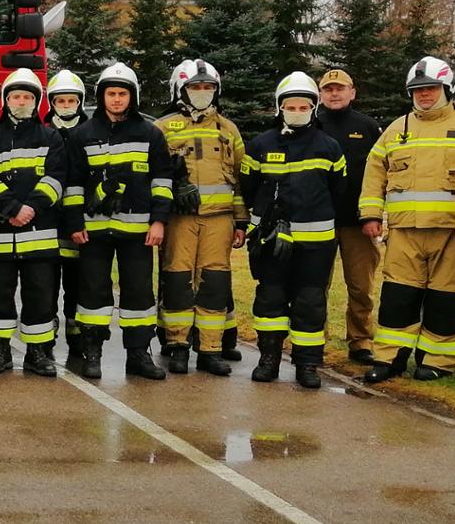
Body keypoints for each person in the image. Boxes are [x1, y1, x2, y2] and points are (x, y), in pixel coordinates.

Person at [360, 56, 455, 383]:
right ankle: (389, 359)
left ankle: (437, 361)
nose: (424, 95)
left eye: (430, 89)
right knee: (398, 298)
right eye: (418, 90)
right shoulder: (397, 129)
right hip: (404, 232)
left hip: (453, 234)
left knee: (446, 299)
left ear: (448, 88)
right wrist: (371, 214)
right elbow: (374, 174)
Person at [240, 73, 347, 389]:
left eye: (303, 106)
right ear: (279, 107)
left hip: (315, 242)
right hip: (271, 240)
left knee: (310, 302)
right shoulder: (260, 145)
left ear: (313, 109)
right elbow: (247, 188)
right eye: (291, 106)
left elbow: (339, 191)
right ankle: (268, 358)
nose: (297, 111)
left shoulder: (329, 147)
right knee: (270, 298)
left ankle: (307, 364)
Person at [66, 63, 172, 381]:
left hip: (138, 231)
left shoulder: (151, 134)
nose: (116, 99)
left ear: (132, 96)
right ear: (101, 97)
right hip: (94, 230)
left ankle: (139, 355)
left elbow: (162, 181)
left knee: (139, 293)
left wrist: (159, 222)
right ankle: (92, 352)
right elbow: (73, 184)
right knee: (93, 292)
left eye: (122, 93)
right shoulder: (82, 135)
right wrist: (74, 221)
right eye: (110, 93)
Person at [0, 68, 75, 377]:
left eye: (28, 96)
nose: (21, 101)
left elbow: (56, 177)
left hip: (39, 233)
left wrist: (31, 207)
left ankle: (38, 352)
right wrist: (12, 207)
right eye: (16, 96)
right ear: (6, 100)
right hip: (2, 233)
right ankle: (0, 350)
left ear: (37, 101)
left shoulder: (50, 136)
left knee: (40, 295)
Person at [154, 59, 248, 376]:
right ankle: (177, 346)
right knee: (177, 279)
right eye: (195, 87)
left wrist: (241, 221)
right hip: (179, 220)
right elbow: (152, 174)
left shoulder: (228, 129)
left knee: (215, 282)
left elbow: (239, 178)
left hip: (219, 220)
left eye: (208, 87)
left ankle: (210, 349)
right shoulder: (163, 127)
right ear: (180, 89)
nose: (202, 93)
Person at [314, 69, 385, 365]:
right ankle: (312, 338)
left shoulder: (368, 127)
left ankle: (361, 341)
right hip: (318, 223)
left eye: (340, 89)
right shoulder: (310, 124)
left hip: (359, 223)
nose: (334, 94)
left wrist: (374, 215)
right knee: (315, 286)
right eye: (328, 89)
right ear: (320, 94)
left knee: (361, 287)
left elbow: (382, 174)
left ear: (352, 93)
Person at [44, 69, 93, 368]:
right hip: (49, 222)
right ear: (51, 103)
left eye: (71, 100)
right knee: (47, 285)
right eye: (60, 100)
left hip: (81, 223)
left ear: (80, 102)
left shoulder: (91, 133)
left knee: (78, 285)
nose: (65, 105)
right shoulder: (41, 132)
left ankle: (77, 340)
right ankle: (46, 340)